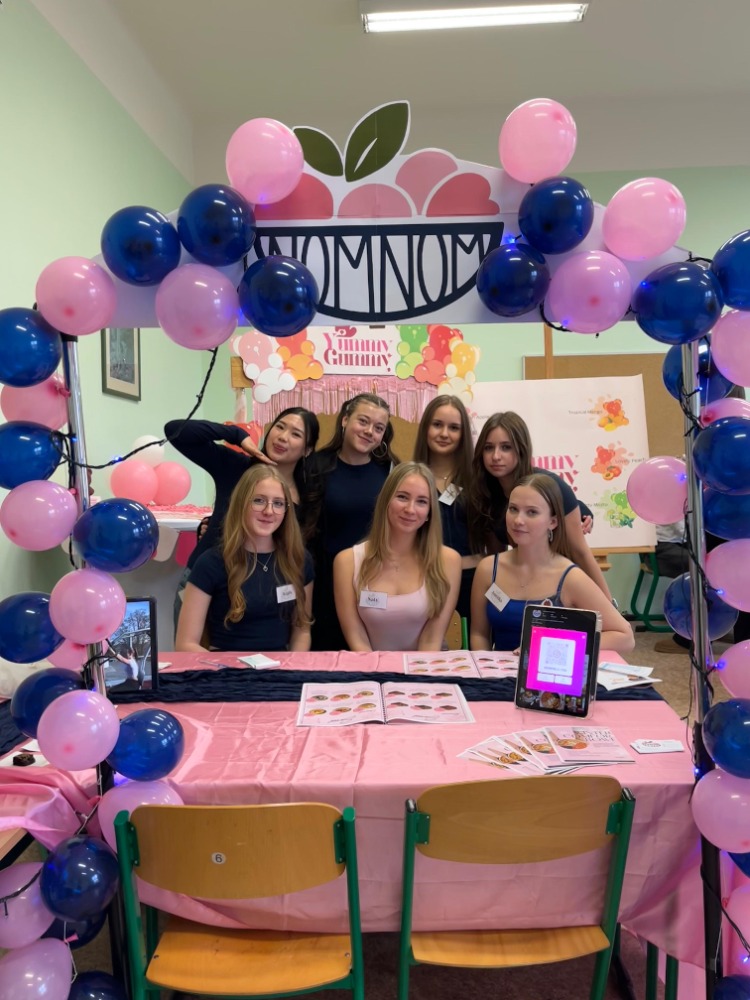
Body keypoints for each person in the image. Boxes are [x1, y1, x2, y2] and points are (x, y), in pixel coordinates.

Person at [165, 407, 319, 633]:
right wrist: (236, 434)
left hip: (265, 596)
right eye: (279, 427)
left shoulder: (309, 496)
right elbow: (175, 430)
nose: (283, 437)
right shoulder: (236, 466)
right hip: (205, 583)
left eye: (295, 434)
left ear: (307, 449)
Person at [470, 474, 634, 653]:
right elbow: (479, 634)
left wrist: (553, 644)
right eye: (513, 509)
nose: (518, 520)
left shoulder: (571, 577)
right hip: (497, 669)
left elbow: (625, 637)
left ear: (553, 521)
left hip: (548, 670)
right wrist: (485, 665)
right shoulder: (488, 569)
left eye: (531, 512)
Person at [467, 411, 613, 601]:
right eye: (488, 448)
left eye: (506, 447)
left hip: (566, 584)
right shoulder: (484, 494)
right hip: (524, 586)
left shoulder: (552, 486)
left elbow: (581, 552)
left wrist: (609, 605)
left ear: (521, 449)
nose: (496, 456)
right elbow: (498, 561)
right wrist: (501, 607)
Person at [176, 466, 313, 653]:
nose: (269, 511)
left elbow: (302, 631)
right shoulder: (211, 563)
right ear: (241, 503)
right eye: (259, 500)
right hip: (223, 666)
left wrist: (293, 666)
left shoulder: (298, 559)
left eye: (278, 503)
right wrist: (224, 668)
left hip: (281, 667)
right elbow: (185, 645)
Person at [306, 393, 400, 649]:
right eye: (363, 421)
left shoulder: (390, 471)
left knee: (373, 657)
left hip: (375, 582)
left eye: (378, 428)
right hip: (324, 584)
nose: (370, 431)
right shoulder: (315, 466)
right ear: (345, 420)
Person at [333, 462, 461, 651]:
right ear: (386, 500)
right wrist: (376, 669)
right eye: (402, 497)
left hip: (425, 664)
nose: (410, 509)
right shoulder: (347, 562)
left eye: (421, 501)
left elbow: (432, 639)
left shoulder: (448, 561)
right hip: (369, 665)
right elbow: (356, 638)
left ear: (429, 512)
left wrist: (414, 671)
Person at [413, 395, 479, 623]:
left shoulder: (479, 478)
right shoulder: (411, 478)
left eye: (453, 428)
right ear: (425, 427)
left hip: (472, 581)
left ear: (463, 434)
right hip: (425, 579)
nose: (444, 433)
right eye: (437, 424)